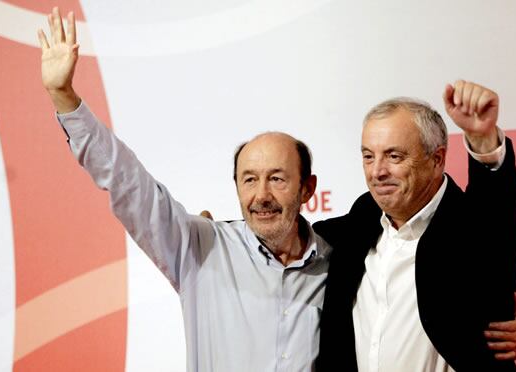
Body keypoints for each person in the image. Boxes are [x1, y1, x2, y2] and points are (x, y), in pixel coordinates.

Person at [38, 8, 331, 371]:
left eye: (277, 178)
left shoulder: (340, 266)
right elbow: (130, 185)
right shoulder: (200, 249)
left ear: (307, 188)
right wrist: (64, 97)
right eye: (249, 179)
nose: (262, 196)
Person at [313, 82, 516, 371]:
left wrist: (483, 141)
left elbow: (497, 211)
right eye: (368, 156)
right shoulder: (360, 220)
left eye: (394, 156)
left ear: (437, 159)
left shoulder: (472, 228)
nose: (377, 171)